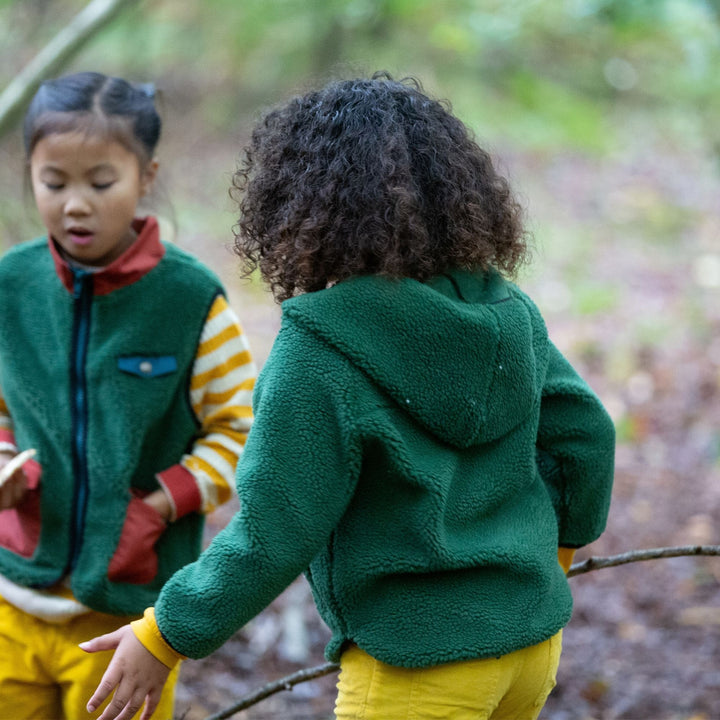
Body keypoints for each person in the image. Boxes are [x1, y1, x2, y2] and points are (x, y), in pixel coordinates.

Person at [83, 73, 615, 720]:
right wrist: (554, 554)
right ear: (455, 193)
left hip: (417, 665)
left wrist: (164, 635)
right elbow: (588, 437)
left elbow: (275, 531)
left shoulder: (321, 346)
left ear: (297, 204)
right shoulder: (507, 312)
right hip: (532, 647)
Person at [0, 71, 256, 719]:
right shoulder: (12, 284)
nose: (74, 205)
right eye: (53, 183)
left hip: (123, 616)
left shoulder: (192, 301)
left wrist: (160, 505)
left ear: (146, 176)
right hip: (13, 595)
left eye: (100, 182)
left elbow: (239, 432)